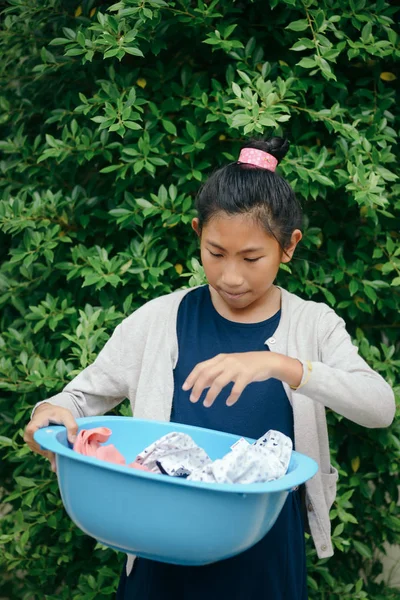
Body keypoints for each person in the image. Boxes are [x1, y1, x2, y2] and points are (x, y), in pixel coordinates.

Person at [24, 137, 395, 599]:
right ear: (198, 232)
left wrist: (281, 365)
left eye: (252, 258)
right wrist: (50, 413)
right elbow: (79, 398)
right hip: (159, 543)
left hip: (264, 551)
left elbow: (381, 406)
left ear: (288, 247)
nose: (231, 276)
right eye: (215, 253)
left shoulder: (312, 325)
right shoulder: (161, 318)